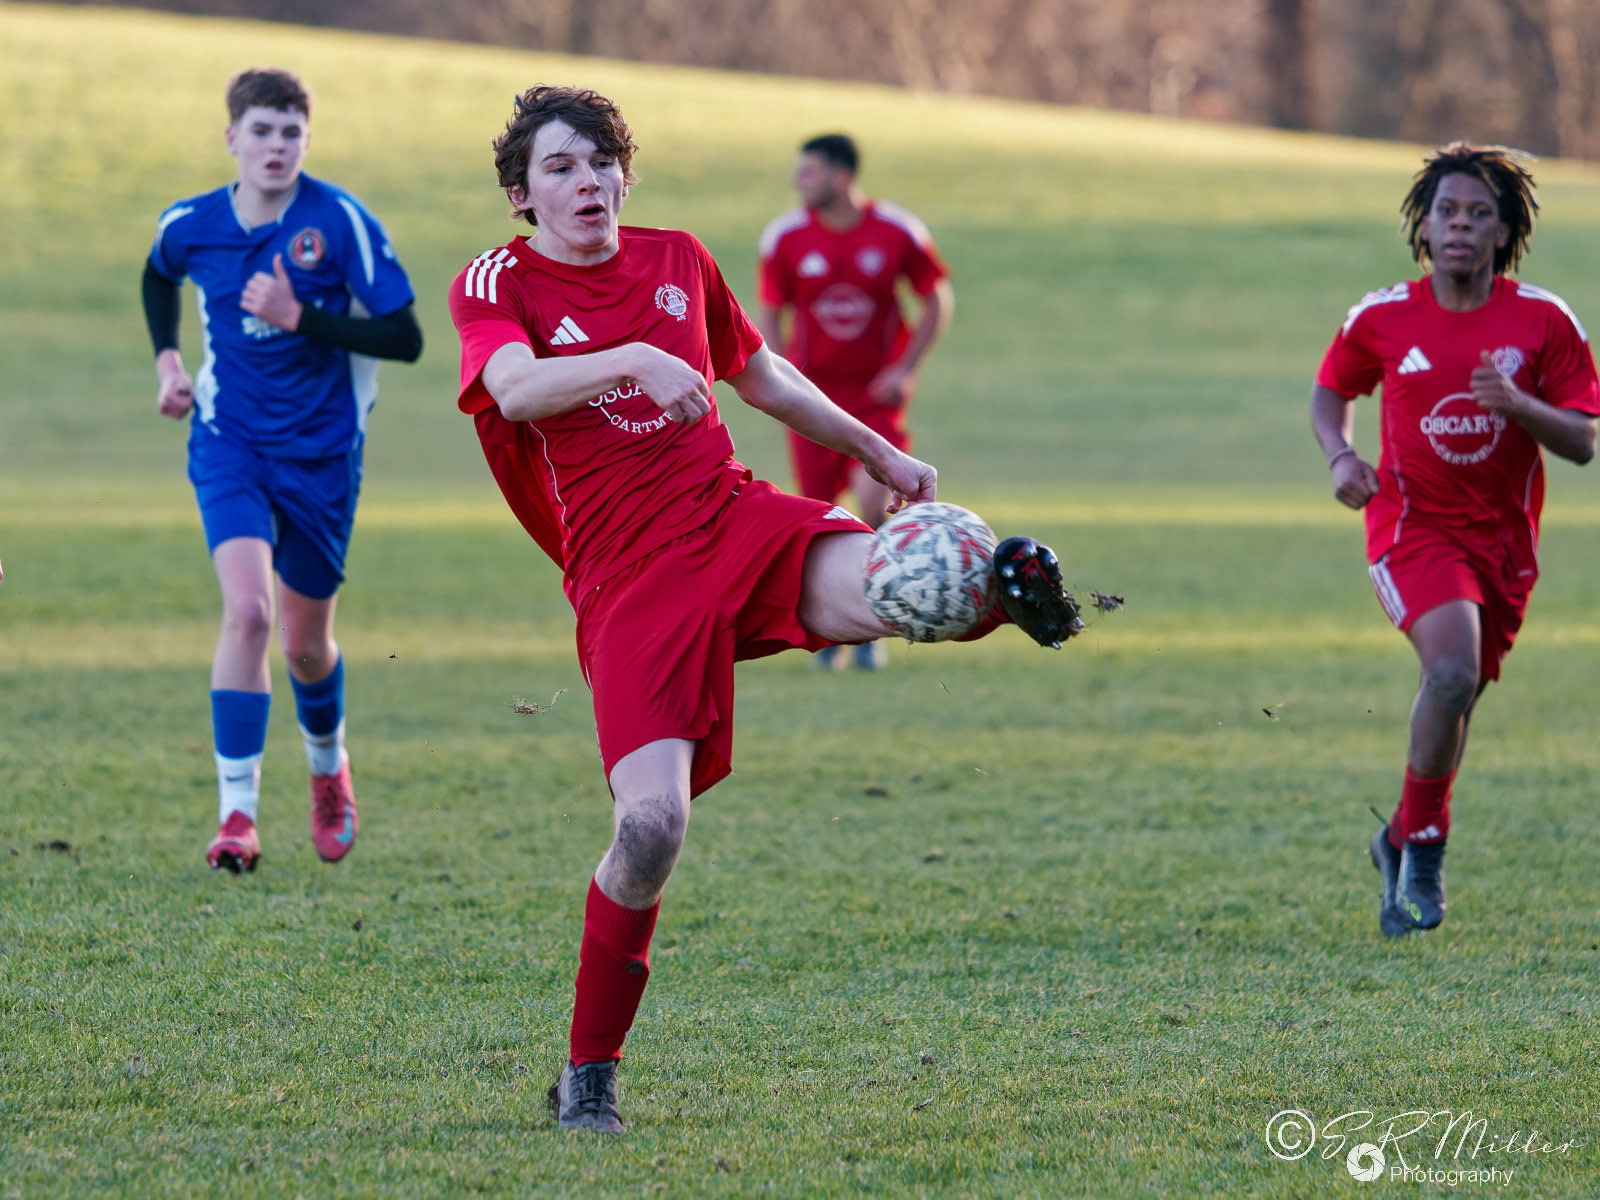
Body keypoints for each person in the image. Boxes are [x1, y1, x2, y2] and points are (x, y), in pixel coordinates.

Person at [447, 85, 1080, 1133]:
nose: (587, 181)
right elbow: (513, 389)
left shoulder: (679, 259)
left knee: (891, 587)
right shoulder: (495, 282)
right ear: (522, 193)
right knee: (650, 830)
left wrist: (876, 451)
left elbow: (764, 373)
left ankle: (1005, 593)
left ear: (624, 175)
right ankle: (588, 1074)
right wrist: (636, 360)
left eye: (601, 161)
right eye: (559, 168)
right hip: (625, 579)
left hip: (733, 517)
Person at [1310, 142, 1598, 938]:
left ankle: (1398, 838)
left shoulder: (1543, 320)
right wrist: (1341, 457)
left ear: (1503, 233)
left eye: (1479, 214)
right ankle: (1427, 853)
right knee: (1450, 674)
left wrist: (1520, 405)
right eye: (1448, 212)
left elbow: (1582, 442)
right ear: (1425, 228)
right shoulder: (1382, 318)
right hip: (1411, 528)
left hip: (1503, 546)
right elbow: (1331, 392)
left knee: (1457, 693)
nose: (1461, 225)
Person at [142, 68, 422, 875]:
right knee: (248, 613)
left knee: (305, 646)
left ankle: (329, 768)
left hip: (323, 454)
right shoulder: (192, 223)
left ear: (307, 140)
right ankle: (237, 816)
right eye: (261, 131)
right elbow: (158, 274)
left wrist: (301, 316)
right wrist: (168, 364)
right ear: (231, 137)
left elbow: (405, 338)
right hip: (228, 442)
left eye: (291, 132)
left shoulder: (339, 221)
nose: (276, 146)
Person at [755, 134, 953, 669]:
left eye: (810, 172)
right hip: (812, 400)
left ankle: (875, 614)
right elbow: (769, 313)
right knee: (821, 514)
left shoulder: (896, 230)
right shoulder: (785, 237)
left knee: (874, 500)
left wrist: (904, 369)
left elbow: (936, 298)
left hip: (874, 398)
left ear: (841, 178)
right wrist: (780, 377)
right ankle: (835, 629)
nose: (799, 181)